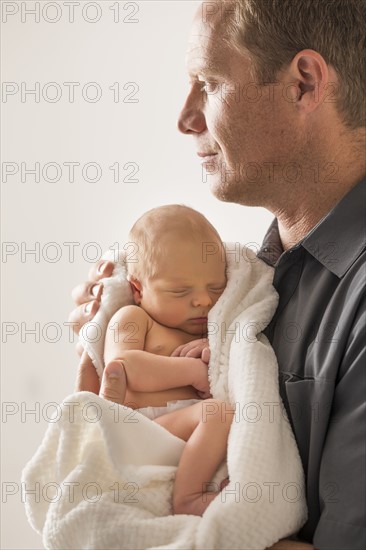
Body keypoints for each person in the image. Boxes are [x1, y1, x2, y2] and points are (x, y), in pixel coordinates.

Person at [70, 1, 365, 548]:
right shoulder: (247, 284)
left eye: (207, 83)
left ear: (302, 83)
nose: (185, 118)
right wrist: (94, 360)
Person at [100, 204, 232, 516]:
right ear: (137, 290)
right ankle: (188, 499)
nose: (203, 300)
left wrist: (211, 351)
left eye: (215, 287)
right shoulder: (133, 318)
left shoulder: (209, 330)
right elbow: (121, 368)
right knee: (217, 414)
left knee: (225, 418)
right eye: (180, 291)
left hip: (187, 435)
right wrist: (192, 370)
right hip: (144, 427)